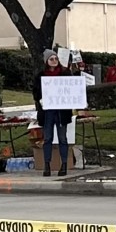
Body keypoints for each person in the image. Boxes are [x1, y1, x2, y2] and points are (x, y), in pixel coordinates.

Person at [32, 49, 71, 177]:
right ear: (46, 61)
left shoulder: (65, 74)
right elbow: (36, 93)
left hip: (61, 111)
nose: (54, 61)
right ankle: (47, 165)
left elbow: (71, 89)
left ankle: (64, 164)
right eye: (51, 59)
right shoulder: (41, 76)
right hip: (47, 112)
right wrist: (41, 100)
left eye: (56, 59)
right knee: (47, 138)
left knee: (62, 138)